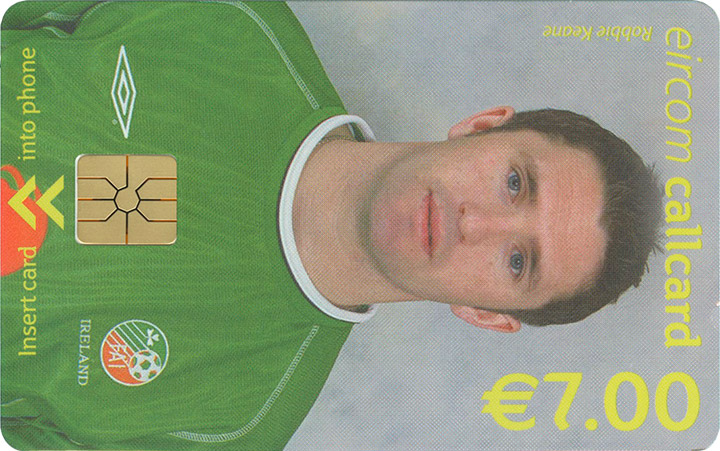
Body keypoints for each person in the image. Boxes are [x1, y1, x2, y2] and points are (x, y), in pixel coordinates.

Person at [0, 2, 662, 450]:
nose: (477, 222)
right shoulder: (230, 19)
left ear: (486, 315)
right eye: (515, 182)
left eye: (518, 261)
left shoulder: (237, 425)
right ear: (482, 126)